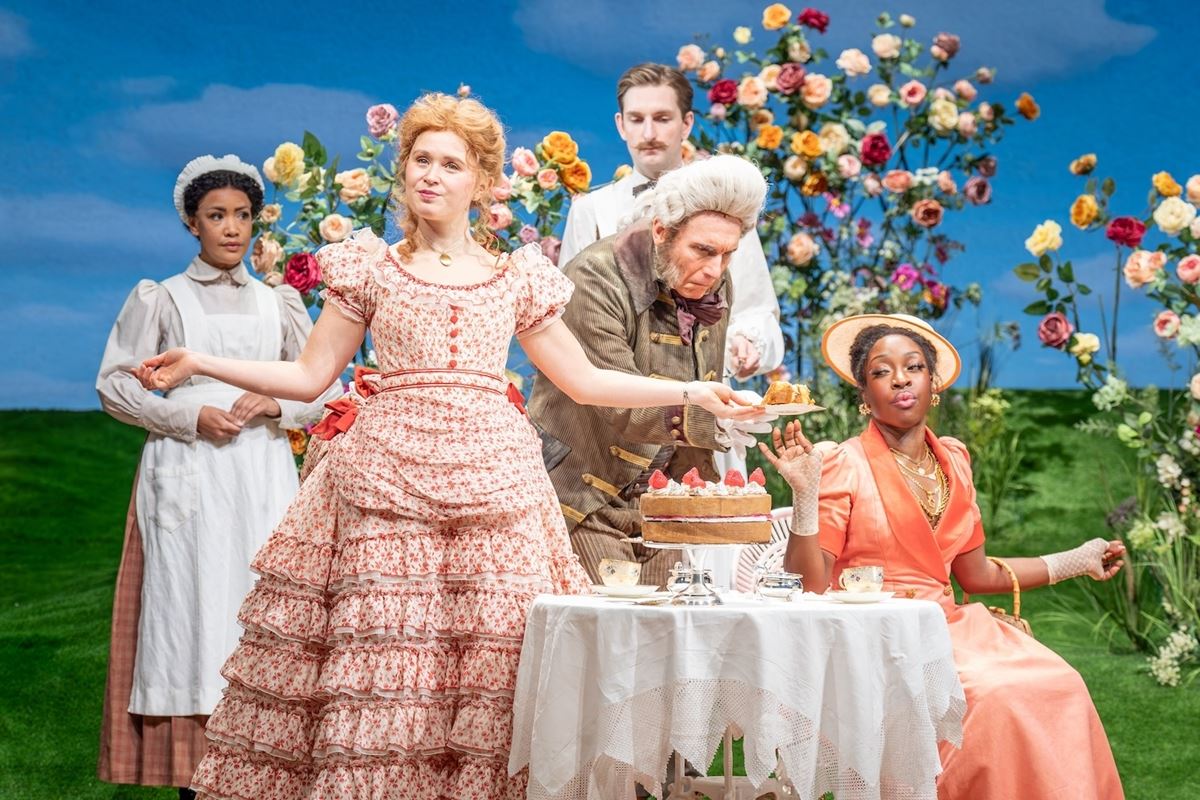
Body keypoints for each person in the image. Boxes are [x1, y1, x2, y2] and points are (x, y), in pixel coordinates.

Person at [133, 93, 756, 799]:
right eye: (420, 160)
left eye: (450, 164)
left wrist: (693, 391)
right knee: (384, 666)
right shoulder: (370, 267)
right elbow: (309, 375)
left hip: (495, 483)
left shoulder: (515, 276)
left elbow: (583, 380)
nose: (430, 175)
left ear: (483, 182)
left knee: (494, 662)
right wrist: (201, 362)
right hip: (387, 480)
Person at [761, 313, 1126, 799]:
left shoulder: (953, 458)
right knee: (995, 696)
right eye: (881, 372)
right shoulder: (843, 463)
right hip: (881, 635)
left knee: (1062, 682)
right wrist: (806, 497)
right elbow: (808, 586)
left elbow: (976, 574)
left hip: (953, 630)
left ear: (933, 384)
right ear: (863, 395)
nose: (900, 379)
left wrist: (1076, 560)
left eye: (913, 367)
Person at [95, 155, 340, 798]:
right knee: (192, 610)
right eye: (216, 216)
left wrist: (276, 403)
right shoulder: (161, 298)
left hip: (260, 473)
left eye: (242, 215)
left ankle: (268, 765)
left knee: (262, 605)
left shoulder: (279, 303)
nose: (231, 228)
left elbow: (326, 388)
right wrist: (187, 415)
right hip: (189, 470)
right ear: (191, 223)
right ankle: (194, 777)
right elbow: (115, 385)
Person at [528, 153, 771, 587]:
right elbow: (614, 401)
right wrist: (713, 419)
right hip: (584, 495)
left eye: (727, 254)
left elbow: (705, 378)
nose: (714, 270)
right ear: (661, 230)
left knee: (670, 625)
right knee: (608, 623)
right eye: (703, 250)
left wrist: (727, 421)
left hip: (664, 499)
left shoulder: (714, 281)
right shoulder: (595, 277)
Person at [558, 63, 784, 478]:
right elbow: (569, 325)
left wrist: (744, 344)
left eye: (662, 118)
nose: (649, 133)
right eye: (636, 119)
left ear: (687, 123)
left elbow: (758, 311)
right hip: (616, 429)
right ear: (620, 125)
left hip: (706, 424)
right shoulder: (591, 210)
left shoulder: (728, 213)